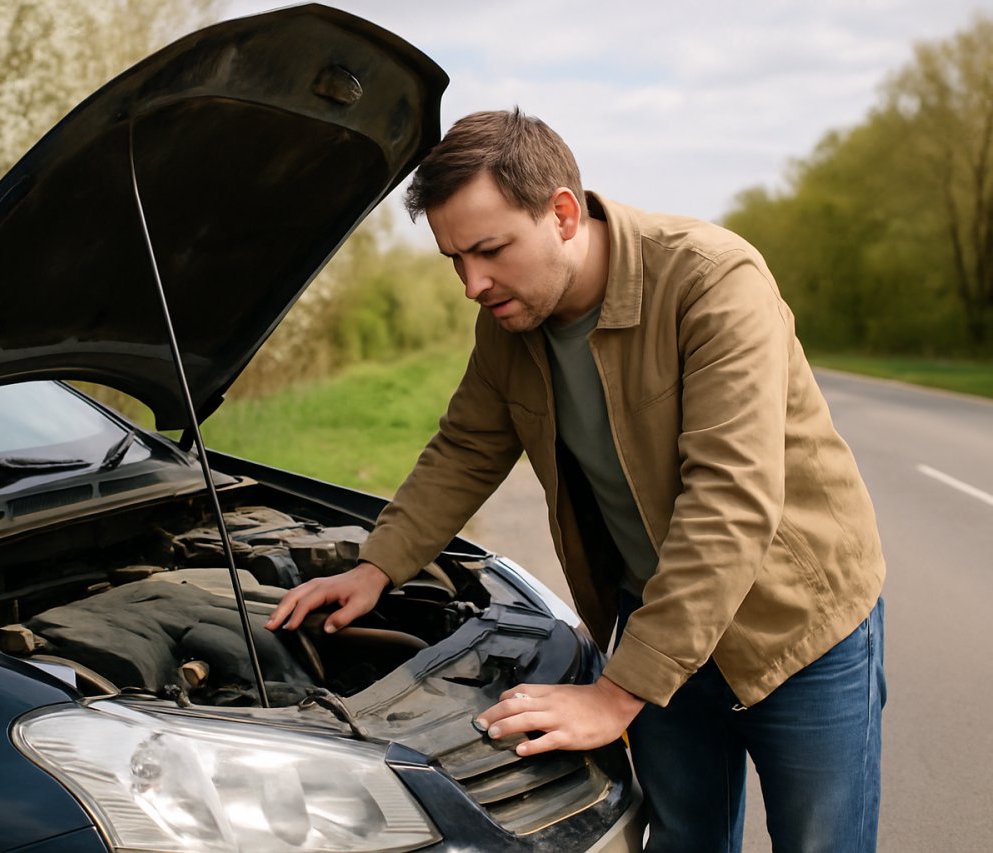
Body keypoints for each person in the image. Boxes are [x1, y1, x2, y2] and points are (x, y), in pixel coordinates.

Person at [265, 108, 886, 853]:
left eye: (489, 250)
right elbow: (466, 446)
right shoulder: (508, 319)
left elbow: (730, 502)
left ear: (562, 212)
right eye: (454, 259)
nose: (472, 284)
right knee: (684, 840)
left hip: (795, 628)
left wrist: (618, 693)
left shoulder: (712, 279)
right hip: (662, 618)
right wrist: (378, 565)